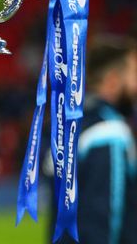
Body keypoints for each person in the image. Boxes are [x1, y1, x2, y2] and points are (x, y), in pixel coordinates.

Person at [49, 35, 137, 244]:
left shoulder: (70, 125)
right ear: (113, 80)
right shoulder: (110, 132)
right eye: (134, 74)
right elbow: (106, 216)